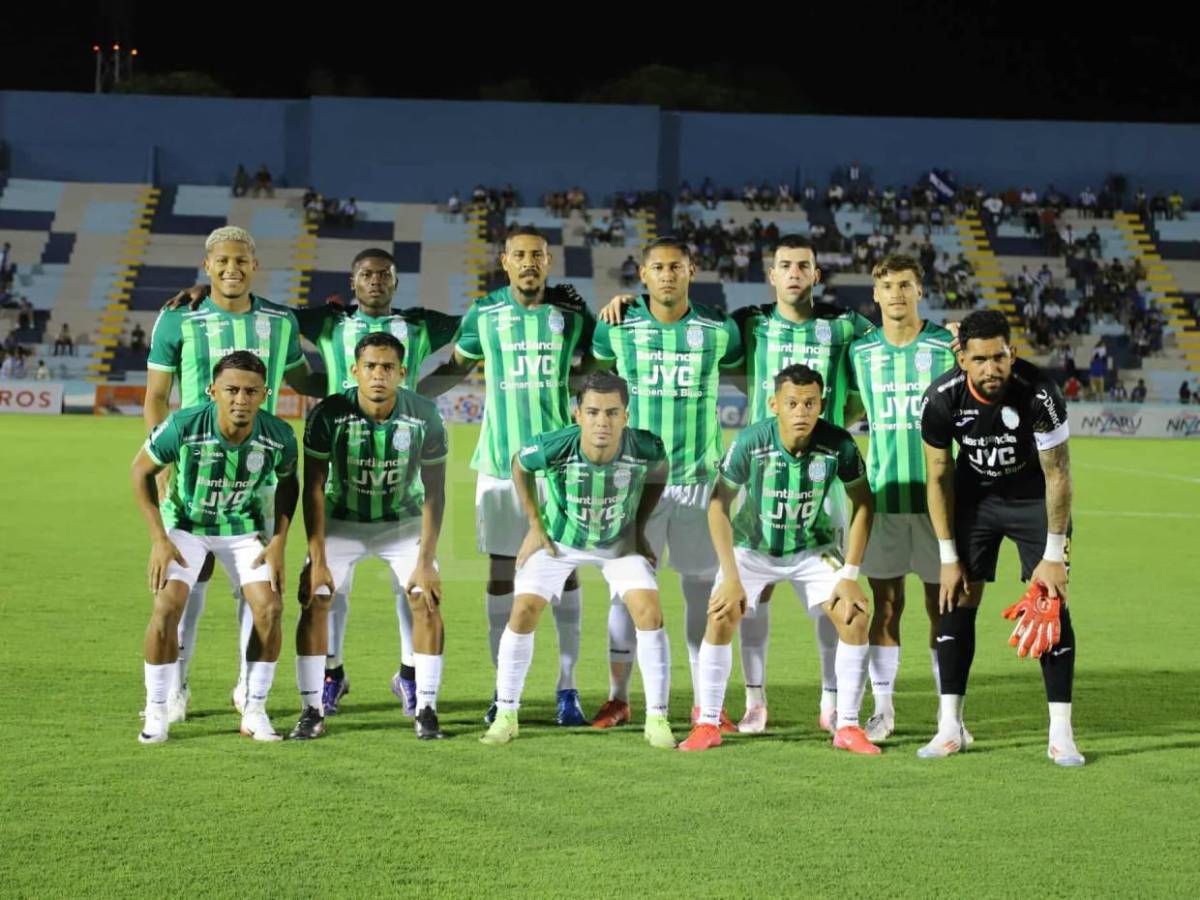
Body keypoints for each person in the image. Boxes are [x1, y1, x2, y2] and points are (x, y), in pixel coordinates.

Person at [419, 226, 596, 726]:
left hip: (561, 467)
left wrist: (594, 316)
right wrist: (409, 396)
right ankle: (503, 689)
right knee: (501, 575)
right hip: (500, 463)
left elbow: (598, 360)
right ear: (505, 262)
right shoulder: (485, 313)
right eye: (519, 255)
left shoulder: (569, 315)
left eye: (537, 255)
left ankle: (567, 688)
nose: (528, 262)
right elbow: (456, 366)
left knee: (566, 569)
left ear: (549, 261)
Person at [146, 226, 324, 724]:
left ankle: (249, 688)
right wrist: (163, 463)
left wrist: (362, 381)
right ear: (207, 265)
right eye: (222, 261)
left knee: (258, 586)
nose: (232, 269)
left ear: (255, 266)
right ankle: (176, 686)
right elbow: (156, 396)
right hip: (192, 475)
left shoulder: (280, 322)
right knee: (188, 584)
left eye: (241, 260)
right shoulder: (178, 318)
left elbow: (304, 379)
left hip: (258, 477)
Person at [679, 364, 878, 753]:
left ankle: (848, 726)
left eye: (810, 403)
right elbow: (718, 505)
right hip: (753, 548)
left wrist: (850, 574)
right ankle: (708, 723)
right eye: (792, 403)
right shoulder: (751, 442)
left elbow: (864, 504)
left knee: (854, 615)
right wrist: (731, 576)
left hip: (814, 548)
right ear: (774, 404)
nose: (801, 412)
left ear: (822, 405)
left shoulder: (838, 444)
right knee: (721, 613)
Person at [590, 237, 744, 729]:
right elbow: (596, 382)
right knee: (626, 592)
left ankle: (705, 703)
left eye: (676, 266)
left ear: (691, 270)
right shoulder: (617, 324)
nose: (668, 275)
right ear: (643, 274)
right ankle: (618, 698)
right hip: (637, 483)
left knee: (702, 594)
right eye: (658, 267)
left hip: (700, 481)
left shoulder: (718, 329)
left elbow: (748, 373)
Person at [920, 309, 1083, 766]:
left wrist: (1054, 554)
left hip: (1033, 500)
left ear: (1012, 352)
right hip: (976, 501)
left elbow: (1058, 474)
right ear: (962, 359)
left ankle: (1061, 734)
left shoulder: (1040, 392)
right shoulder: (941, 399)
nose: (991, 368)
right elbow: (938, 477)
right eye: (979, 359)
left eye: (999, 357)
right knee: (955, 597)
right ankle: (950, 727)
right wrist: (947, 556)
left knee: (1050, 602)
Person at [481, 372, 676, 749]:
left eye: (612, 412)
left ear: (626, 415)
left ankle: (657, 717)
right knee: (523, 610)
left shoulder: (645, 446)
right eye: (593, 412)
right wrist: (535, 524)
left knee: (649, 612)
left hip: (617, 542)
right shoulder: (554, 446)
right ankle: (506, 714)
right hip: (559, 541)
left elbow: (660, 468)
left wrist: (639, 527)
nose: (602, 421)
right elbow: (519, 464)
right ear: (578, 414)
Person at [131, 351, 299, 743]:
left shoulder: (279, 434)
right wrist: (159, 538)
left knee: (270, 608)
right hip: (187, 526)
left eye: (251, 392)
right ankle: (157, 709)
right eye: (232, 390)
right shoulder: (184, 425)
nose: (241, 399)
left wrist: (278, 540)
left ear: (265, 394)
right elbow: (140, 471)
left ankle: (254, 709)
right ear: (212, 391)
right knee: (166, 606)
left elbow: (290, 483)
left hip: (242, 529)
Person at [291, 332, 449, 741]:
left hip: (403, 524)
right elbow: (313, 488)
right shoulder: (328, 414)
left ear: (402, 372)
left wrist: (426, 561)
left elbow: (435, 492)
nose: (379, 374)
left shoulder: (425, 415)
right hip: (342, 522)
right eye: (371, 367)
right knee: (316, 596)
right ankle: (311, 709)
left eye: (388, 367)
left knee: (425, 598)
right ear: (355, 371)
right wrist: (317, 559)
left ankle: (427, 708)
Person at [847, 254, 964, 744]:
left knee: (944, 608)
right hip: (884, 499)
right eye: (887, 285)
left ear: (920, 291)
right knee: (887, 606)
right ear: (875, 294)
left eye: (905, 284)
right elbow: (845, 408)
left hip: (940, 503)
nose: (896, 293)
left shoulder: (946, 345)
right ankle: (883, 709)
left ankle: (949, 715)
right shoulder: (859, 353)